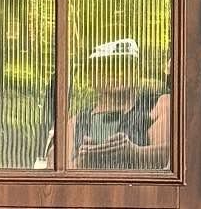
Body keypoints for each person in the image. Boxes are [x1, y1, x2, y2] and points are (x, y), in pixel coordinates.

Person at [71, 38, 170, 170]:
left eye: (123, 65)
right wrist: (81, 163)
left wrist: (135, 154)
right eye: (106, 67)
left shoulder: (160, 105)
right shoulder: (76, 122)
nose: (116, 73)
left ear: (137, 71)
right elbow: (53, 166)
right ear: (91, 77)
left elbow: (170, 157)